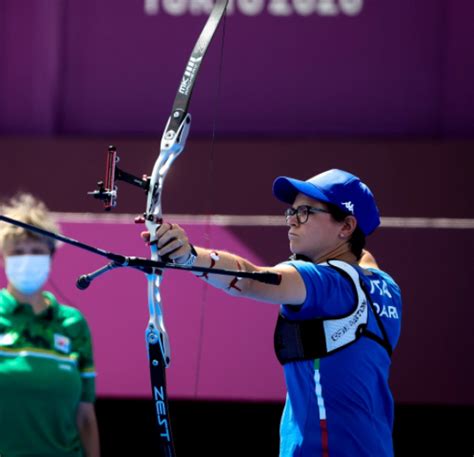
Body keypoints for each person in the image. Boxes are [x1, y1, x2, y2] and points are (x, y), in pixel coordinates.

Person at [145, 168, 402, 457]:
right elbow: (364, 256)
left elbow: (250, 277)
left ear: (346, 226)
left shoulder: (325, 282)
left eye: (305, 212)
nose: (291, 220)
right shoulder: (385, 285)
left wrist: (189, 255)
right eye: (291, 211)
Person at [0, 194, 100, 457]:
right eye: (18, 252)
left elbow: (86, 417)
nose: (27, 259)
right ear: (3, 257)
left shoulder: (73, 324)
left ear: (51, 255)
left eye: (36, 252)